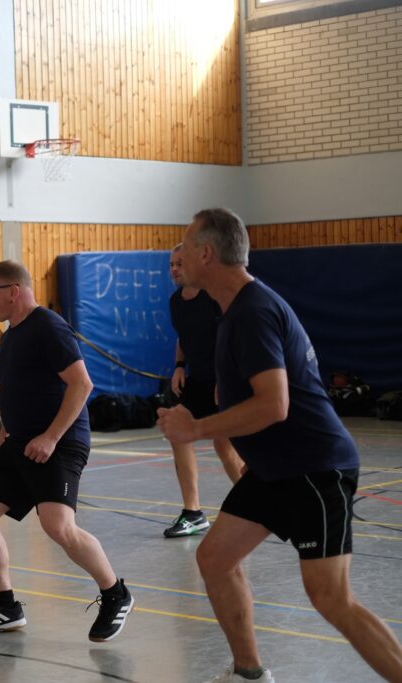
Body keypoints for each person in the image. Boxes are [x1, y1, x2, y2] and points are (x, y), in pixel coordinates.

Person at [158, 209, 402, 683]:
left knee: (331, 597)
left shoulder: (252, 311)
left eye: (185, 244)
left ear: (206, 253)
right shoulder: (232, 310)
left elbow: (274, 405)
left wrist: (196, 428)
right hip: (274, 469)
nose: (179, 254)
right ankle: (249, 674)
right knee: (215, 559)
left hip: (314, 468)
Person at [0, 260, 134, 642]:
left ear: (13, 291)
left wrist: (52, 437)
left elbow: (81, 384)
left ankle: (115, 593)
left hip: (61, 442)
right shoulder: (10, 336)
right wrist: (4, 433)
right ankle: (4, 605)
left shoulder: (48, 326)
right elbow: (18, 391)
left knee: (58, 526)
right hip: (21, 441)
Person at [163, 243, 244, 538]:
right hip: (198, 381)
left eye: (180, 264)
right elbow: (183, 337)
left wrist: (226, 378)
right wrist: (179, 365)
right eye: (172, 264)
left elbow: (231, 337)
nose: (175, 269)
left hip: (226, 379)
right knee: (178, 432)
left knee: (225, 446)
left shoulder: (213, 297)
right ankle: (193, 512)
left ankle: (256, 503)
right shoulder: (176, 301)